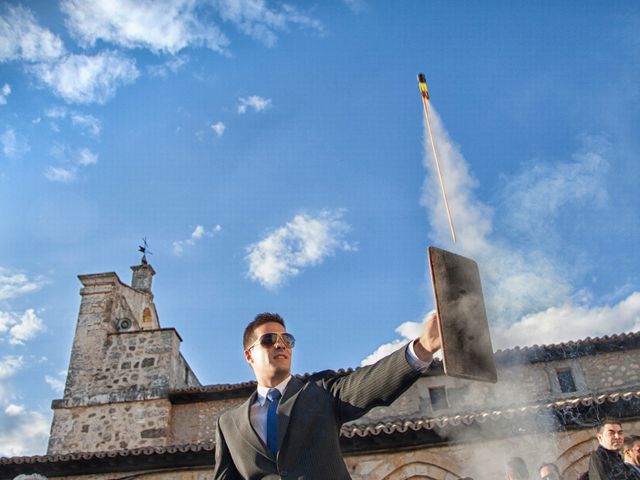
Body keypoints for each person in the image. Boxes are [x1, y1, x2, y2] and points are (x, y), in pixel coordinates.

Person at [213, 311, 441, 479]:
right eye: (269, 340)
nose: (281, 345)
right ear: (249, 355)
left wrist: (422, 348)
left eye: (287, 340)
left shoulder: (320, 391)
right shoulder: (228, 423)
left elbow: (366, 385)